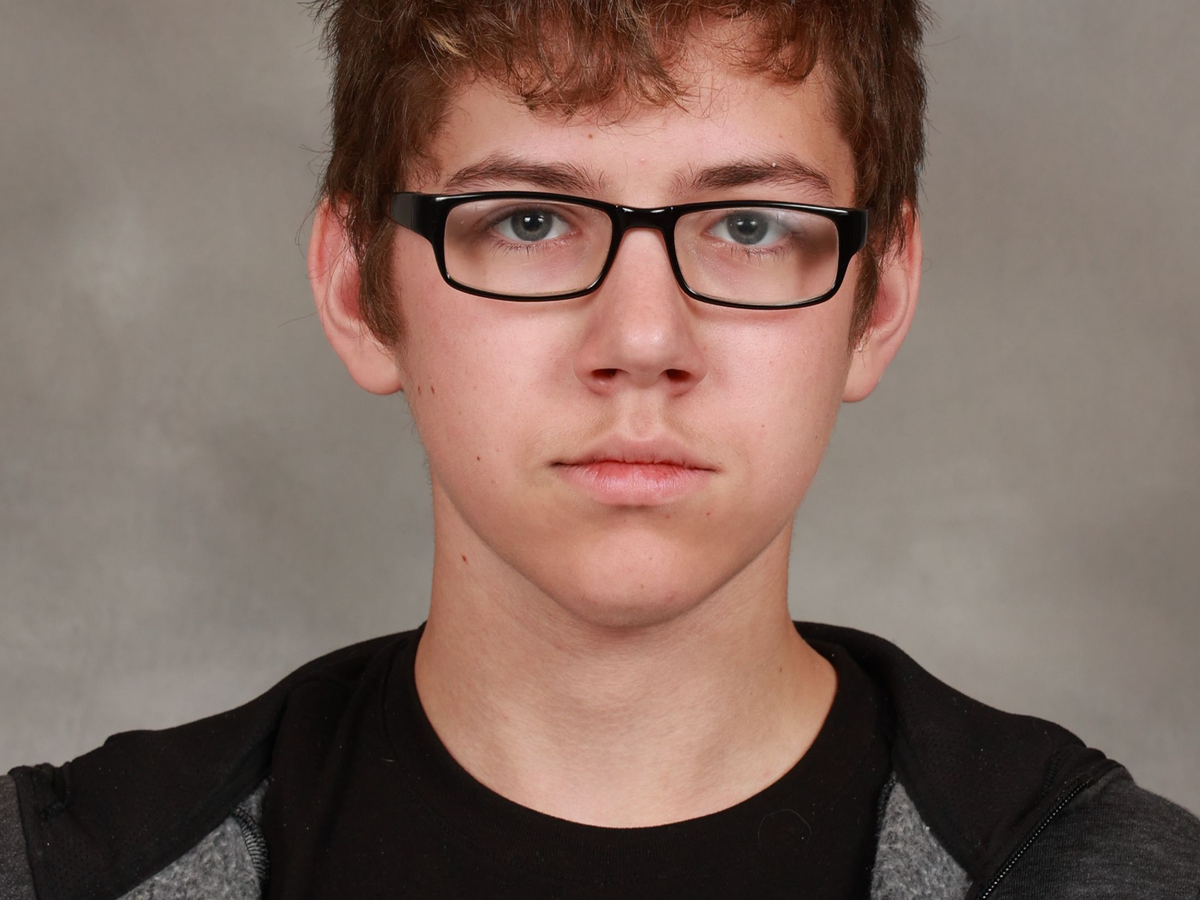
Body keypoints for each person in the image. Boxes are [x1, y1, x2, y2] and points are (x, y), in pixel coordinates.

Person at [2, 1, 1197, 897]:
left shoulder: (1112, 873)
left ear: (876, 298)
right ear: (359, 288)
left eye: (749, 224)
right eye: (529, 219)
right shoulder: (70, 869)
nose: (641, 341)